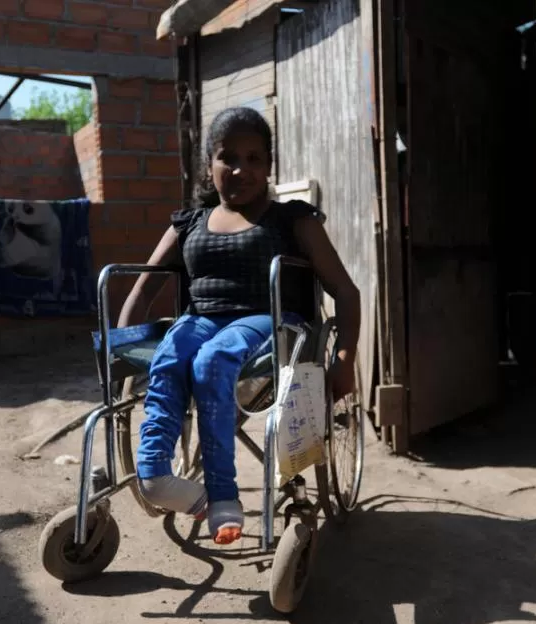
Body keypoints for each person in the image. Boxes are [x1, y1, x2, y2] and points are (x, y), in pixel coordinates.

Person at [116, 106, 361, 545]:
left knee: (212, 359)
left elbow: (346, 291)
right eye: (228, 157)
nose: (240, 169)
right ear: (209, 166)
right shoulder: (189, 222)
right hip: (201, 318)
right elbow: (144, 287)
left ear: (269, 166)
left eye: (254, 159)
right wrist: (123, 347)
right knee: (172, 355)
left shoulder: (293, 220)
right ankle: (154, 475)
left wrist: (344, 361)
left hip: (270, 320)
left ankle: (224, 499)